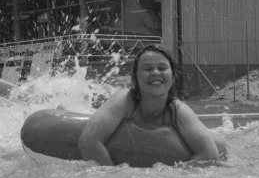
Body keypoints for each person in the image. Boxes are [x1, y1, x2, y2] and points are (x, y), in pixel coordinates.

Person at [77, 44, 222, 166]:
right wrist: (115, 176)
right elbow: (89, 141)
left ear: (173, 75)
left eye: (162, 68)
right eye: (147, 69)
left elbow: (210, 155)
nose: (155, 73)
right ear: (135, 77)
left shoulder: (178, 110)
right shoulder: (125, 100)